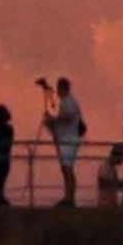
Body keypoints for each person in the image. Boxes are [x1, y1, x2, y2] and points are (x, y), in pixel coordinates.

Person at [44, 77, 82, 207]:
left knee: (67, 168)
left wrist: (55, 120)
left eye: (59, 88)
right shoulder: (66, 101)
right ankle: (68, 196)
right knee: (66, 168)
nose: (57, 91)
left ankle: (70, 198)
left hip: (68, 139)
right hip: (65, 138)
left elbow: (70, 117)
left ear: (63, 88)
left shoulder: (69, 102)